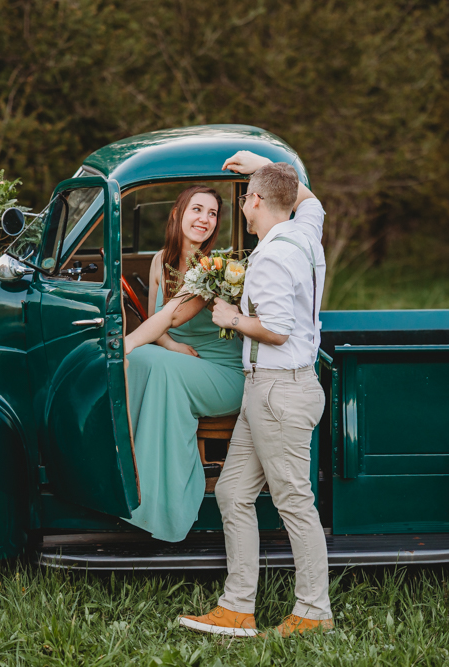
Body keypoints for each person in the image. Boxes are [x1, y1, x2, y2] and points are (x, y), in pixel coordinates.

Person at [179, 151, 332, 638]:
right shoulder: (305, 232)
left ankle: (314, 612)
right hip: (269, 390)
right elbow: (312, 202)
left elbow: (278, 331)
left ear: (258, 201)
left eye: (246, 197)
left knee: (294, 503)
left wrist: (233, 318)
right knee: (232, 492)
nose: (242, 205)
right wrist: (267, 166)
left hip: (277, 393)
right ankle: (237, 607)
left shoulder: (271, 256)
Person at [122, 185, 245, 543]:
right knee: (143, 359)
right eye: (197, 209)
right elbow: (157, 323)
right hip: (181, 360)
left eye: (212, 213)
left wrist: (127, 343)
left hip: (223, 372)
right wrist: (172, 346)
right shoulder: (160, 260)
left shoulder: (214, 268)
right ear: (178, 214)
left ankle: (165, 502)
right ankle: (133, 478)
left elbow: (172, 316)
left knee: (147, 360)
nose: (204, 219)